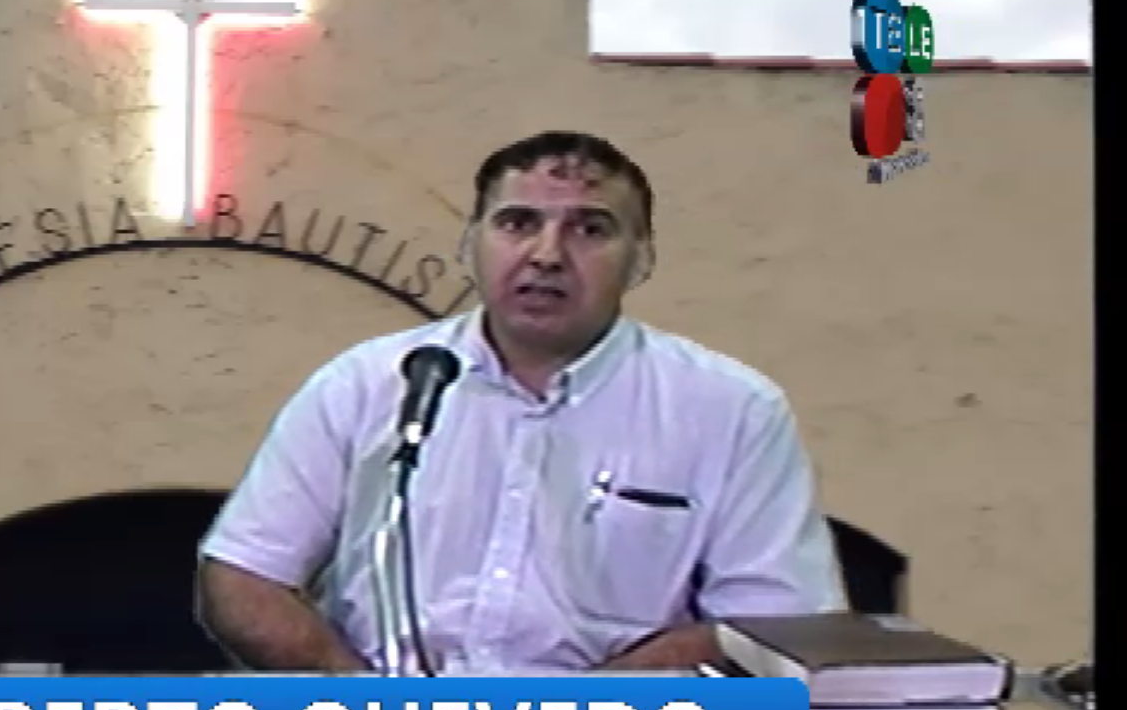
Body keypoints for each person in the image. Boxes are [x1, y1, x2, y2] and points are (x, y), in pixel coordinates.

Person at [196, 130, 843, 675]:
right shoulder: (368, 384)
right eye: (518, 224)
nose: (547, 254)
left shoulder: (731, 410)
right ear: (470, 245)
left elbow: (775, 626)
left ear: (641, 261)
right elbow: (242, 577)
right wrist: (365, 703)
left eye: (589, 229)